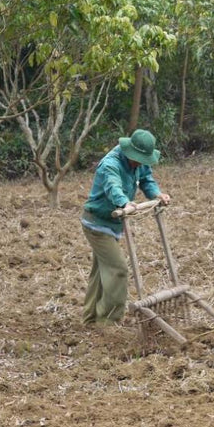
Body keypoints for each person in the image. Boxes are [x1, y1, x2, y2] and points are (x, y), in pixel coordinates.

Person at [81, 129, 171, 326]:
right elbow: (113, 187)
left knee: (101, 271)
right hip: (97, 224)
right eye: (137, 159)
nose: (139, 163)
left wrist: (157, 194)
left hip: (113, 224)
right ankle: (107, 321)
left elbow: (147, 179)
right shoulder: (110, 164)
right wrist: (125, 203)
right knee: (118, 270)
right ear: (129, 151)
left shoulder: (139, 163)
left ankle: (89, 319)